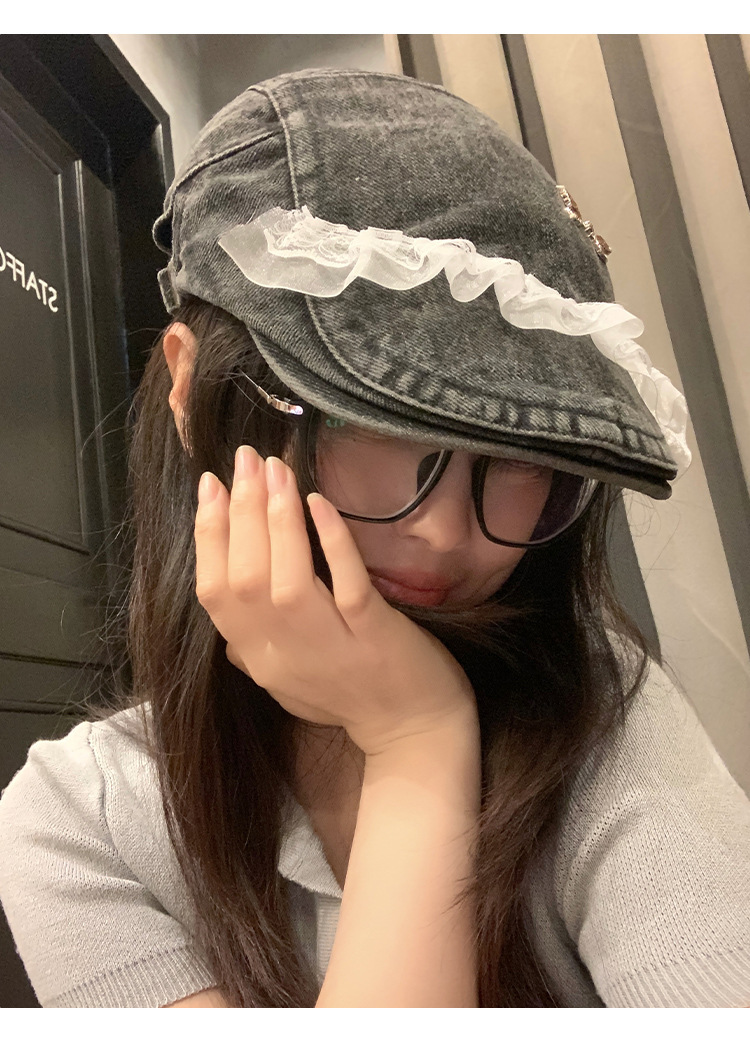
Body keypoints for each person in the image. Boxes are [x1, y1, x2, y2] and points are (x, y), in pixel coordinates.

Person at [1, 68, 748, 1009]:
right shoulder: (80, 820)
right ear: (191, 392)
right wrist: (416, 741)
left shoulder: (602, 713)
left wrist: (418, 733)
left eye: (522, 457)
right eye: (369, 426)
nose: (443, 532)